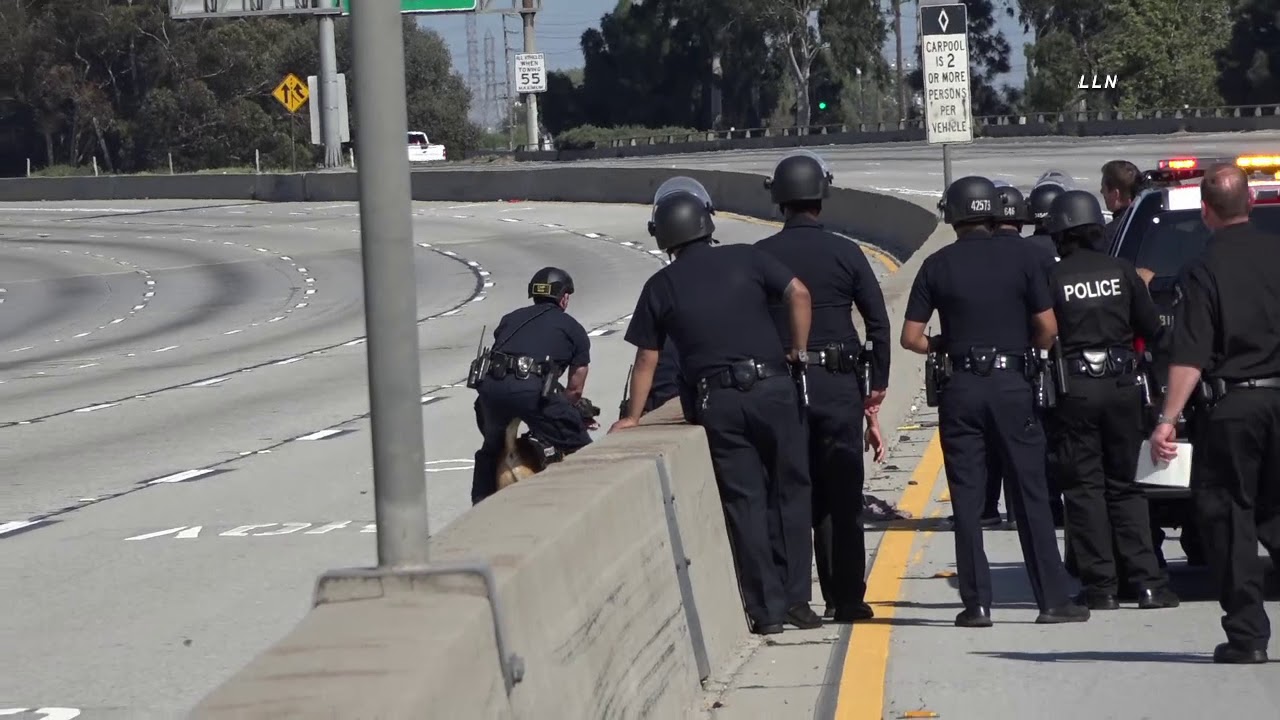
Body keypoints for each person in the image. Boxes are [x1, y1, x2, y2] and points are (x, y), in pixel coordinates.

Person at [610, 176, 821, 635]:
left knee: (745, 503)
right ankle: (798, 602)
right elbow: (799, 293)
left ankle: (765, 614)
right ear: (707, 224)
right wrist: (797, 352)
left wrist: (631, 417)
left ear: (663, 237)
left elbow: (647, 357)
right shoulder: (747, 256)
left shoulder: (660, 285)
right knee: (790, 492)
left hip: (718, 401)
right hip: (773, 388)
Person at [901, 175, 1088, 627]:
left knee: (966, 499)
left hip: (961, 388)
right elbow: (1048, 327)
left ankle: (976, 605)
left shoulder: (937, 265)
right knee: (1030, 493)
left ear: (954, 216)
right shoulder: (1025, 258)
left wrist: (944, 346)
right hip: (1013, 385)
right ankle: (1052, 599)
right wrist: (1020, 345)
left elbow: (911, 338)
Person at [1150, 163, 1280, 664]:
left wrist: (1168, 418)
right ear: (1250, 202)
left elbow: (1190, 355)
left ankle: (1248, 637)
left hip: (1234, 410)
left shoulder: (1202, 270)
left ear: (1205, 212)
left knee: (1230, 523)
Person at [755, 149, 892, 623]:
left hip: (783, 386)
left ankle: (795, 600)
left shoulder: (761, 255)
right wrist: (878, 385)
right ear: (821, 196)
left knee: (792, 493)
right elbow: (878, 322)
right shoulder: (846, 252)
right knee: (843, 491)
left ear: (780, 200)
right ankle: (846, 597)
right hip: (838, 385)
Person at [1043, 189, 1180, 611]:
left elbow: (1044, 334)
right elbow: (1155, 330)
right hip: (1123, 387)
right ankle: (1148, 584)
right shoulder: (1123, 272)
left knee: (1084, 489)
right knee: (1127, 487)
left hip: (1076, 388)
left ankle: (1100, 587)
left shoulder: (1053, 277)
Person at [470, 267, 594, 504]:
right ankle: (584, 501)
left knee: (491, 449)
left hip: (491, 391)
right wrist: (565, 415)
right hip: (532, 392)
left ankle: (480, 503)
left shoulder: (510, 319)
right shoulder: (572, 328)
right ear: (564, 297)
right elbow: (575, 388)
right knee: (580, 446)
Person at [1100, 159, 1143, 246]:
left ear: (1116, 194)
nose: (1101, 192)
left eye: (1103, 188)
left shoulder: (1109, 236)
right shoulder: (1153, 224)